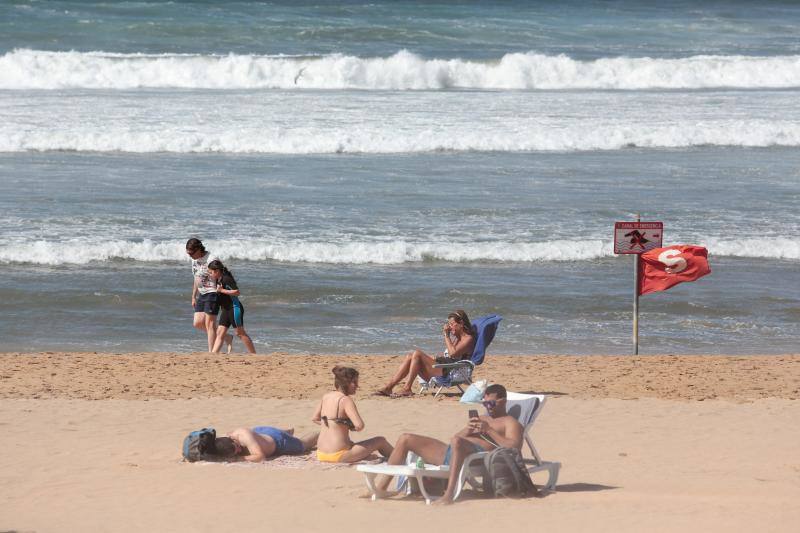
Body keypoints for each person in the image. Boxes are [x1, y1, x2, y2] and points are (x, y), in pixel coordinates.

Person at [373, 384, 523, 504]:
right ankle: (381, 488)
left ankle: (449, 493)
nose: (487, 406)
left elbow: (514, 447)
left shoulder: (510, 422)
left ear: (502, 401)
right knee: (405, 438)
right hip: (453, 453)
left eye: (490, 403)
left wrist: (489, 431)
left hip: (476, 458)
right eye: (484, 403)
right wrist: (469, 429)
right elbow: (455, 438)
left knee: (458, 442)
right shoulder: (482, 418)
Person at [375, 310, 476, 397]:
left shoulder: (468, 339)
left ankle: (407, 388)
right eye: (449, 324)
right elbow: (451, 355)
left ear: (461, 323)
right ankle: (389, 387)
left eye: (452, 324)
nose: (450, 327)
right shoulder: (459, 338)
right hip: (445, 367)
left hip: (449, 372)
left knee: (417, 353)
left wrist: (446, 335)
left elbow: (453, 354)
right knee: (410, 356)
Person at [312, 366, 393, 463]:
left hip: (321, 454)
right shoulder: (345, 400)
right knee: (380, 441)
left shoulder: (326, 396)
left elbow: (315, 418)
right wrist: (349, 426)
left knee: (357, 447)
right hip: (338, 455)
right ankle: (401, 456)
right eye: (354, 382)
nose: (357, 386)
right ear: (346, 383)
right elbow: (359, 426)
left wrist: (333, 425)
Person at [186, 238, 228, 352]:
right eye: (188, 253)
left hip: (213, 293)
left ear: (199, 249)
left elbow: (223, 276)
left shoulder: (211, 259)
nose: (190, 256)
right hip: (202, 294)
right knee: (198, 323)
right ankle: (223, 337)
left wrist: (222, 292)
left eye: (191, 253)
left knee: (210, 324)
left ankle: (212, 353)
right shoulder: (194, 260)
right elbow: (196, 278)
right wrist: (193, 296)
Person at [207, 260, 256, 354]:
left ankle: (254, 355)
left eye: (211, 272)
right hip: (226, 310)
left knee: (240, 333)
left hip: (234, 309)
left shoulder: (226, 279)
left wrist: (221, 290)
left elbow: (237, 292)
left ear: (217, 271)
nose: (210, 274)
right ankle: (213, 355)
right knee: (220, 333)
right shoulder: (219, 279)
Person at [208, 426, 319, 462]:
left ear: (233, 440)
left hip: (278, 441)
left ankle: (319, 433)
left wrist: (239, 458)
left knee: (303, 445)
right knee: (260, 439)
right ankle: (287, 430)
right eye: (235, 452)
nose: (238, 450)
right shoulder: (224, 443)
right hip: (261, 432)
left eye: (237, 447)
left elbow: (260, 457)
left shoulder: (243, 435)